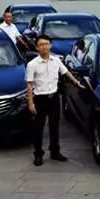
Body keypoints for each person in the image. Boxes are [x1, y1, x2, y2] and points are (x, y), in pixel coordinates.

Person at [26, 35, 84, 166]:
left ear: (50, 45)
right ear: (37, 47)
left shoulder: (56, 61)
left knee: (54, 126)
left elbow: (66, 72)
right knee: (38, 128)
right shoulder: (32, 64)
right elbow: (29, 84)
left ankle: (55, 151)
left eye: (46, 44)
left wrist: (76, 82)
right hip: (39, 99)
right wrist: (31, 103)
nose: (44, 47)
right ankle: (38, 154)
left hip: (54, 98)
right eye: (41, 45)